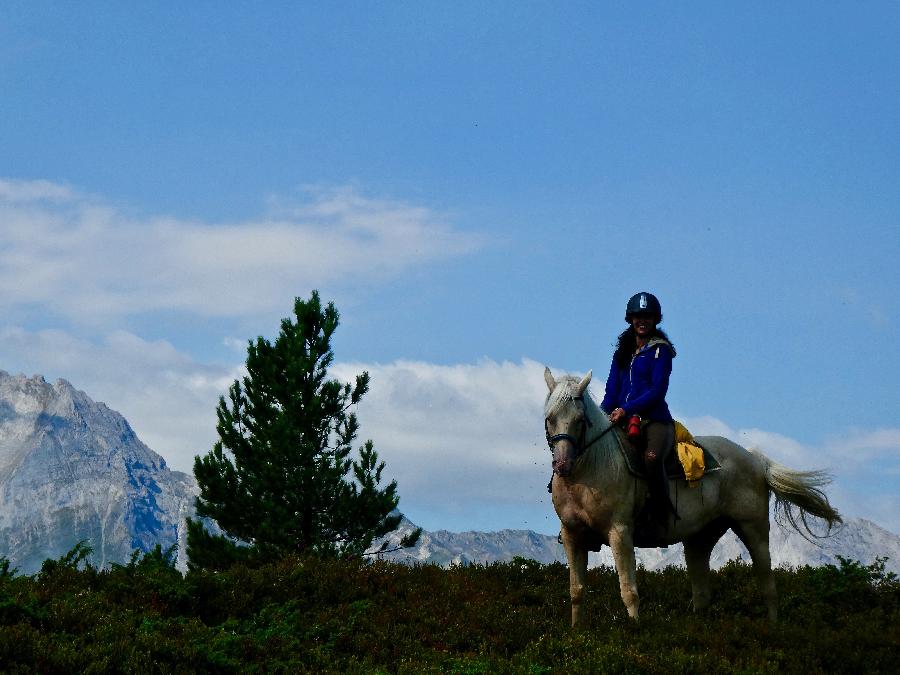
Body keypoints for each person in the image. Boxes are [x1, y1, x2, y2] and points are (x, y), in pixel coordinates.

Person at [600, 291, 677, 537]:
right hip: (622, 417)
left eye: (647, 317)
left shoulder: (661, 351)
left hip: (654, 420)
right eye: (638, 316)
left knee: (652, 458)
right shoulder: (622, 351)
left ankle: (661, 516)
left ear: (655, 320)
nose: (642, 321)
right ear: (630, 319)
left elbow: (657, 391)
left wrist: (627, 409)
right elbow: (612, 389)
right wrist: (604, 414)